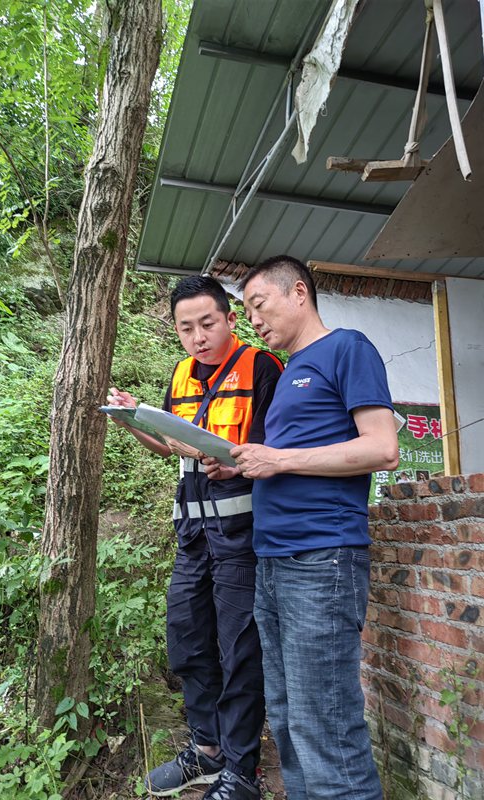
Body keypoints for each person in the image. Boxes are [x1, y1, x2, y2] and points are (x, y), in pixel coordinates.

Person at [229, 255, 399, 800]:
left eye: (259, 305)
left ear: (298, 292)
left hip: (321, 559)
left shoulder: (347, 348)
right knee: (287, 720)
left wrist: (278, 459)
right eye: (248, 313)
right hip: (273, 562)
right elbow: (291, 459)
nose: (254, 321)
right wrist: (242, 461)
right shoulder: (286, 377)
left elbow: (383, 448)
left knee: (325, 723)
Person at [107, 276, 282, 800]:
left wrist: (238, 465)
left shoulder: (262, 367)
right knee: (187, 638)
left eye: (208, 323)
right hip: (193, 535)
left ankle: (242, 770)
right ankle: (207, 750)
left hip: (241, 535)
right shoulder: (182, 374)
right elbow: (171, 445)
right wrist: (132, 420)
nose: (198, 337)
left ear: (230, 319)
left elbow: (277, 450)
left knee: (239, 651)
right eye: (186, 328)